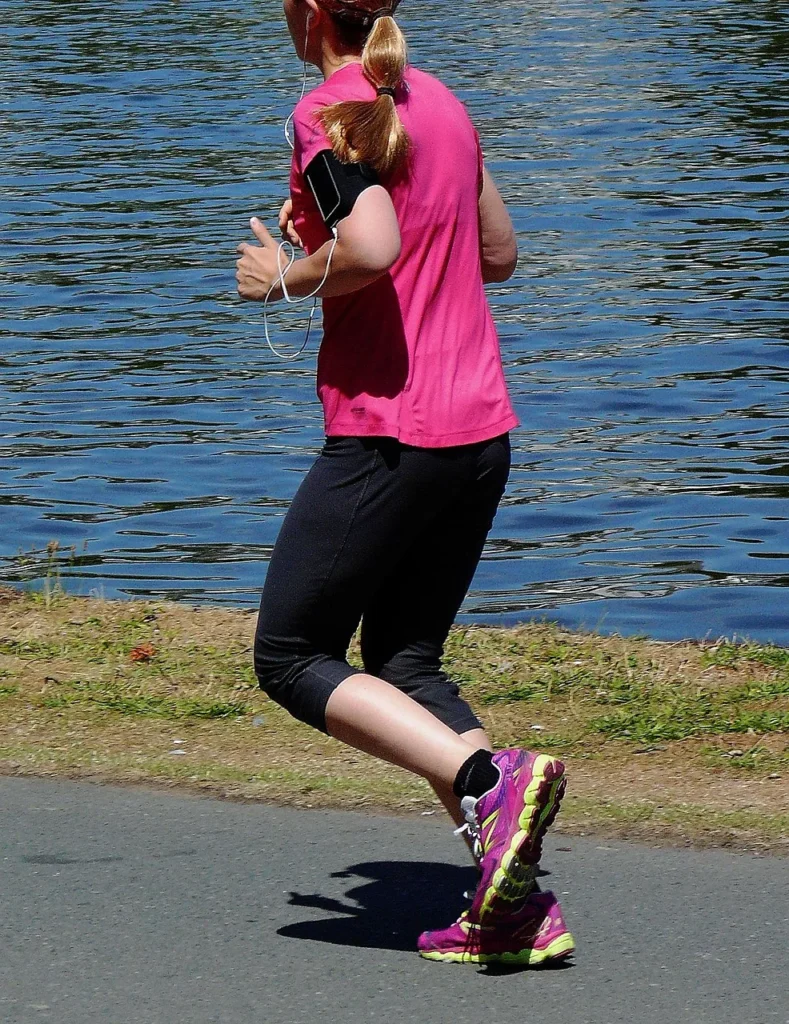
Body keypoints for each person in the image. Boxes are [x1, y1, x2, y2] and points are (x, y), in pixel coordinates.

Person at [235, 0, 574, 965]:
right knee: (405, 663)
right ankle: (509, 906)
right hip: (479, 436)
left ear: (309, 12)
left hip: (393, 434)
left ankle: (485, 776)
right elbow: (499, 255)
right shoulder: (443, 104)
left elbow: (373, 245)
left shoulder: (329, 109)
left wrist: (284, 277)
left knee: (291, 654)